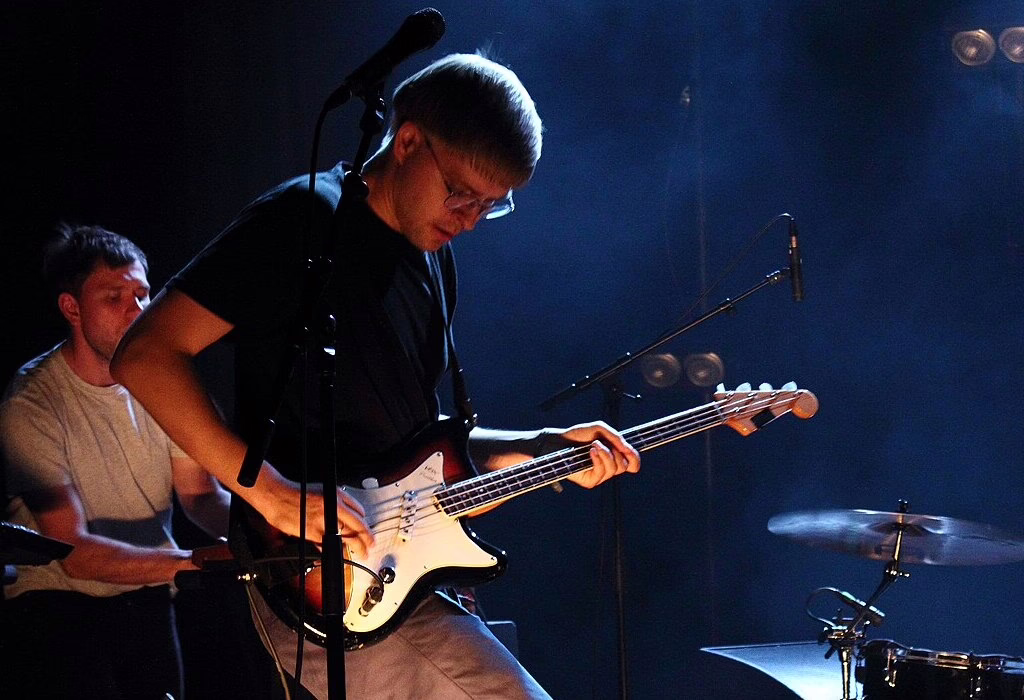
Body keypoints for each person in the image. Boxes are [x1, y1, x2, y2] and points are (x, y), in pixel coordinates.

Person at [111, 52, 641, 699]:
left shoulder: (431, 259)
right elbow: (145, 355)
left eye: (491, 205)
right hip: (318, 574)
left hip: (399, 574)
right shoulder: (304, 219)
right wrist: (269, 492)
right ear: (408, 140)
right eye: (460, 193)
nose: (470, 219)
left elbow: (418, 447)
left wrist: (537, 446)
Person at [0, 224, 232, 699]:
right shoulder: (31, 403)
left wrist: (267, 537)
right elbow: (73, 554)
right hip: (58, 605)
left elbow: (200, 495)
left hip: (149, 595)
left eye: (143, 294)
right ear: (72, 308)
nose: (137, 309)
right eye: (114, 297)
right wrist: (200, 562)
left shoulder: (163, 380)